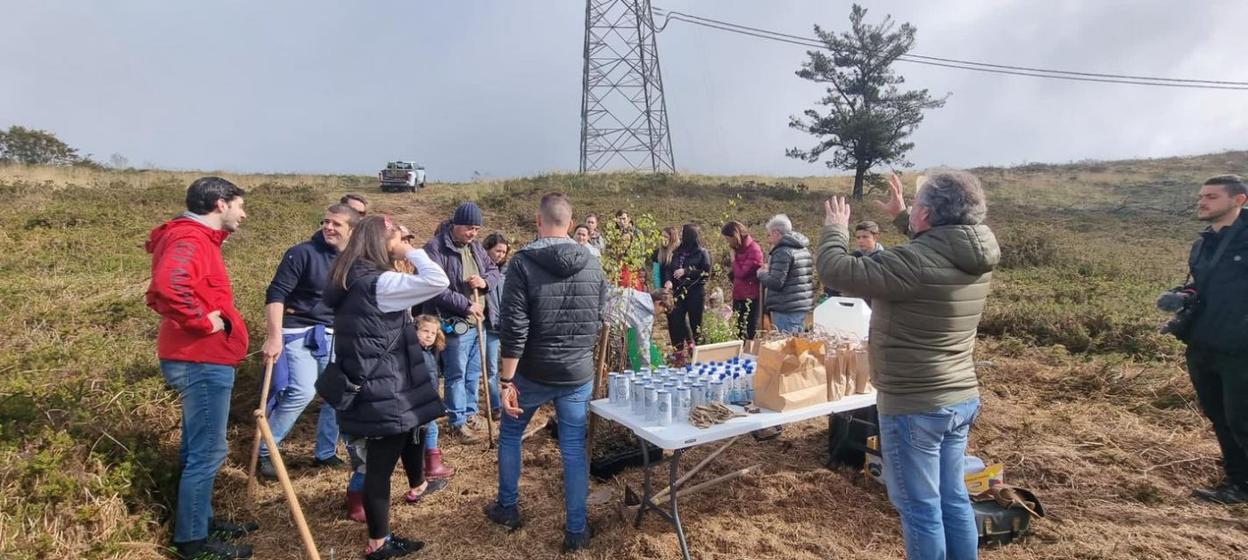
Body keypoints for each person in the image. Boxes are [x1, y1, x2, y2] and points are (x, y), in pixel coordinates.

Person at [816, 171, 999, 560]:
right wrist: (905, 216)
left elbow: (835, 270)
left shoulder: (912, 263)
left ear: (928, 216)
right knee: (952, 499)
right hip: (961, 395)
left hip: (915, 403)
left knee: (921, 509)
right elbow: (939, 249)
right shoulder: (978, 254)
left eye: (917, 206)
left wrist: (835, 229)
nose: (912, 210)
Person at [486, 192, 608, 553]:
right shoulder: (592, 263)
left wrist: (506, 380)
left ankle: (507, 507)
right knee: (573, 448)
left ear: (539, 222)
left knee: (510, 434)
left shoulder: (522, 264)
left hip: (533, 372)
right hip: (576, 373)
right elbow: (600, 317)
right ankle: (576, 530)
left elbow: (514, 326)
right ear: (571, 225)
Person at [324, 214, 450, 559]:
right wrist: (410, 251)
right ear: (384, 241)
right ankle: (378, 543)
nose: (403, 241)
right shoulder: (380, 283)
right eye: (397, 237)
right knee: (378, 468)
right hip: (385, 389)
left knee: (384, 458)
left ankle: (382, 532)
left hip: (371, 384)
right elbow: (438, 280)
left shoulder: (350, 277)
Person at [145, 177, 254, 560]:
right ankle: (193, 543)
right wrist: (204, 322)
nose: (243, 214)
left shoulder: (194, 238)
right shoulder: (190, 238)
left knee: (197, 448)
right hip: (199, 359)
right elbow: (169, 285)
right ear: (220, 204)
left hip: (200, 358)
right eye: (239, 205)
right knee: (208, 451)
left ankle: (201, 522)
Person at [256, 203, 360, 481]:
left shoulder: (352, 260)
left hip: (334, 334)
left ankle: (325, 453)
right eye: (326, 221)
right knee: (302, 391)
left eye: (337, 224)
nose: (328, 227)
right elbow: (276, 294)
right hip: (297, 331)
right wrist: (274, 336)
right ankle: (265, 451)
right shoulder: (301, 253)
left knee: (337, 394)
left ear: (351, 229)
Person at [1170, 174, 1248, 505]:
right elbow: (1201, 286)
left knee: (1242, 419)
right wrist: (1180, 295)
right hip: (1202, 345)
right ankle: (1238, 482)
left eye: (1212, 196)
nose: (1202, 201)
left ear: (1239, 200)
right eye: (1201, 196)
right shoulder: (1203, 243)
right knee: (1218, 415)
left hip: (1241, 349)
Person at [421, 202, 502, 444]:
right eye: (469, 228)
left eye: (477, 229)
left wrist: (484, 281)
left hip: (478, 322)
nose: (473, 234)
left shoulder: (476, 247)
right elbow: (436, 288)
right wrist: (466, 305)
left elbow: (494, 270)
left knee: (474, 372)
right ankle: (457, 421)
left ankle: (469, 412)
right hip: (454, 322)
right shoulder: (435, 249)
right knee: (456, 374)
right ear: (455, 224)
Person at [414, 314, 456, 482]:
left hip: (428, 398)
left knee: (425, 430)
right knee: (430, 428)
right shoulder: (415, 353)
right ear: (415, 330)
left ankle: (425, 462)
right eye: (425, 331)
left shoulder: (431, 352)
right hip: (419, 400)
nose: (429, 336)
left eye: (433, 332)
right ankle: (432, 466)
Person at [757, 214, 815, 333]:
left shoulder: (782, 251)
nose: (769, 239)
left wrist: (761, 274)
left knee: (786, 346)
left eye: (769, 234)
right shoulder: (802, 248)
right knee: (798, 345)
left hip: (786, 307)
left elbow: (776, 282)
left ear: (776, 233)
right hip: (801, 305)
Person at [664, 224, 712, 350]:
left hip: (695, 293)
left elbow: (705, 272)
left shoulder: (702, 253)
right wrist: (669, 280)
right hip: (678, 292)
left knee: (696, 324)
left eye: (683, 233)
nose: (681, 236)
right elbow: (669, 269)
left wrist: (687, 271)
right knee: (675, 321)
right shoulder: (677, 252)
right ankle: (678, 351)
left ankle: (698, 351)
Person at [722, 221, 764, 340]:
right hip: (738, 294)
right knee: (738, 330)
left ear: (735, 236)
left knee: (750, 330)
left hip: (750, 296)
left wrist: (733, 260)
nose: (727, 242)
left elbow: (741, 273)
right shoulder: (737, 249)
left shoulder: (754, 249)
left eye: (728, 238)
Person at [649, 226, 679, 291]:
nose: (663, 239)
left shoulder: (678, 253)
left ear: (672, 239)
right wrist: (658, 290)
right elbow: (656, 274)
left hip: (676, 288)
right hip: (662, 288)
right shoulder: (657, 253)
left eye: (666, 237)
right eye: (662, 236)